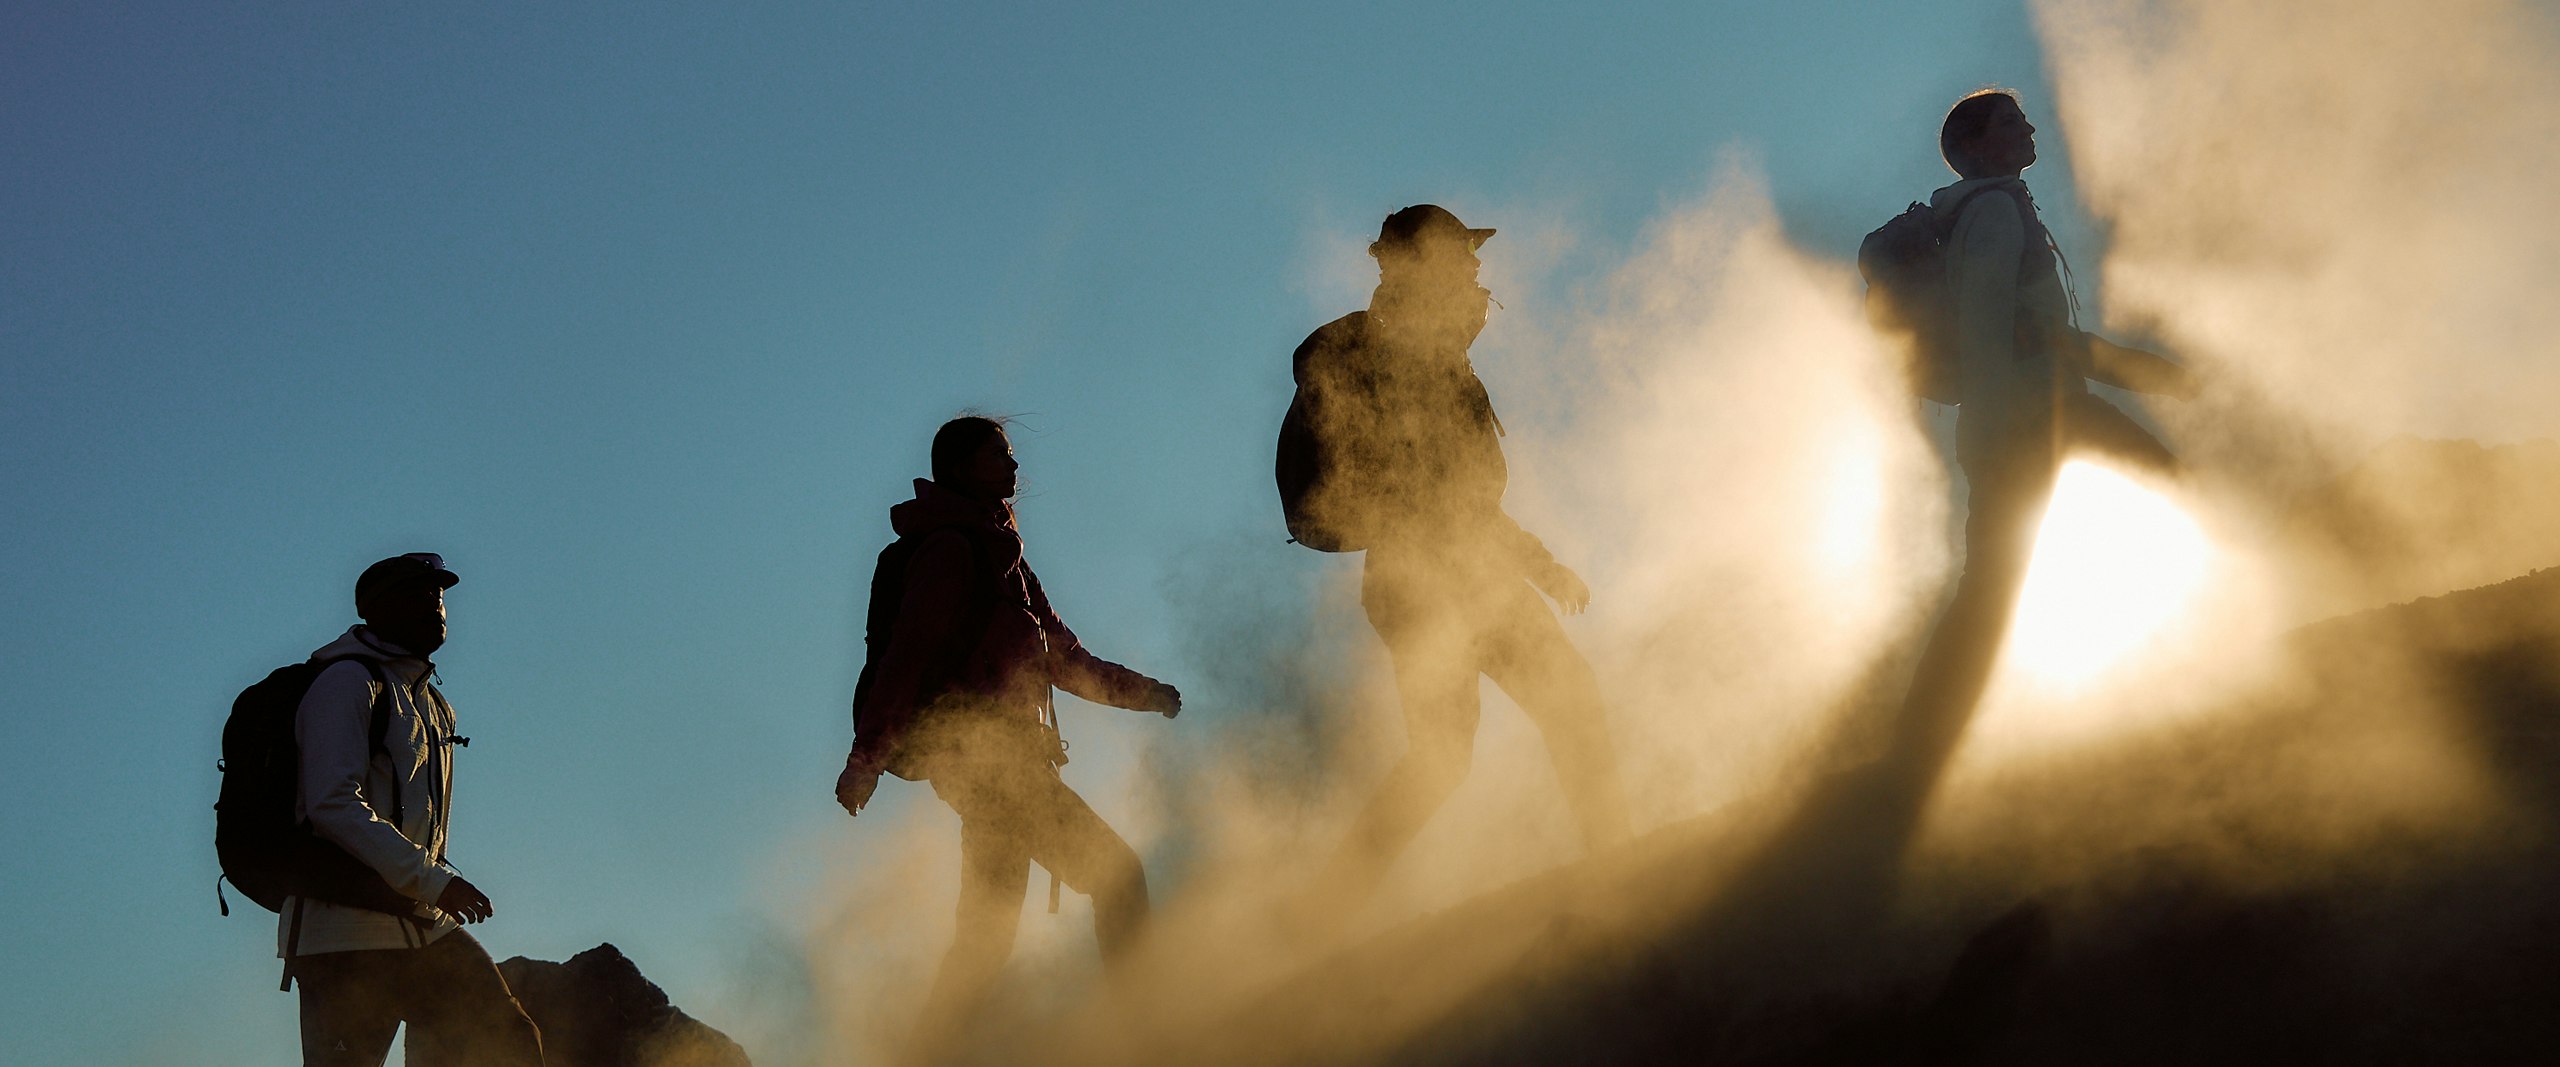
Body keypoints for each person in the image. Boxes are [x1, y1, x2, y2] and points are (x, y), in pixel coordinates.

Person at [1291, 205, 1632, 913]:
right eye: (1463, 254)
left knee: (1443, 756)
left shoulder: (1428, 353)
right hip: (1441, 578)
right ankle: (1619, 876)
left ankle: (1320, 909)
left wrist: (1534, 565)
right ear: (1427, 264)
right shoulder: (1410, 359)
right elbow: (1452, 500)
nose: (1478, 268)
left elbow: (1458, 499)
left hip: (1428, 578)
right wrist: (1540, 566)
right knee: (1564, 702)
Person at [835, 416, 1184, 1040]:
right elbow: (906, 657)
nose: (1014, 465)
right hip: (986, 766)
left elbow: (1066, 661)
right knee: (1116, 877)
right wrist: (866, 762)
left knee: (985, 942)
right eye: (999, 454)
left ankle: (926, 1053)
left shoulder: (1006, 562)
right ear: (962, 468)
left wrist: (1146, 694)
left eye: (1011, 454)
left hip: (1000, 766)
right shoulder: (951, 551)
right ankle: (1145, 1037)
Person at [1886, 90, 2196, 787]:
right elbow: (1989, 321)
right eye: (2009, 121)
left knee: (1989, 583)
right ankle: (1915, 746)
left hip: (2022, 414)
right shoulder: (1994, 212)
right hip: (2028, 417)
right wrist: (1998, 424)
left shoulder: (1983, 210)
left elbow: (2035, 333)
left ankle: (1915, 743)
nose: (2027, 127)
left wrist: (2143, 372)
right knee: (2170, 484)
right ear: (1974, 146)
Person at [283, 552, 543, 1066]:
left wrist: (430, 887)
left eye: (439, 595)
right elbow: (331, 804)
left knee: (509, 1042)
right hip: (343, 939)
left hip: (420, 922)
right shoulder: (346, 683)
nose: (436, 607)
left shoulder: (434, 704)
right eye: (419, 595)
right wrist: (436, 883)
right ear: (375, 609)